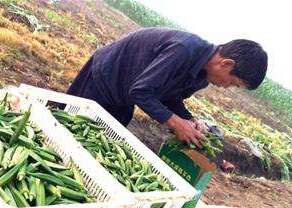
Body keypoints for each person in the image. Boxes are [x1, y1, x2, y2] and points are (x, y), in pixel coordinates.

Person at [67, 28, 268, 147]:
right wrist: (176, 123)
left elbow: (168, 97)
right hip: (104, 78)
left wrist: (189, 119)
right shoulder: (184, 49)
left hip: (125, 94)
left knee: (98, 143)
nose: (226, 87)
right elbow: (140, 91)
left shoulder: (202, 78)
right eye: (233, 83)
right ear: (226, 64)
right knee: (67, 130)